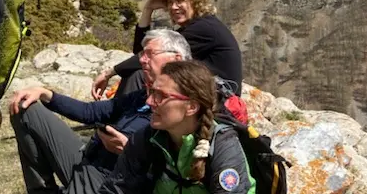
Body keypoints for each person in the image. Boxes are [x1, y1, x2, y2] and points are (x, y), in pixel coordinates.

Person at [8, 29, 191, 194]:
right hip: (88, 157)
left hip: (109, 179)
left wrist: (130, 150)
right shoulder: (141, 96)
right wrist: (45, 93)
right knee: (25, 108)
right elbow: (91, 112)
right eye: (143, 54)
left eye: (150, 54)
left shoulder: (182, 107)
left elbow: (173, 168)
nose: (142, 59)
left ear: (175, 59)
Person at [98, 60, 256, 194]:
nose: (149, 101)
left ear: (191, 107)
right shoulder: (149, 138)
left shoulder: (222, 146)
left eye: (161, 96)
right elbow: (115, 189)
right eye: (152, 92)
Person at [92, 0, 243, 99]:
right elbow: (142, 50)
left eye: (180, 1)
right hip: (206, 91)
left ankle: (119, 123)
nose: (174, 7)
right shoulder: (198, 26)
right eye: (170, 2)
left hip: (221, 100)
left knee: (138, 75)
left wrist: (109, 73)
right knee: (145, 71)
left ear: (196, 2)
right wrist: (148, 9)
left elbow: (146, 56)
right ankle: (121, 120)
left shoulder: (204, 29)